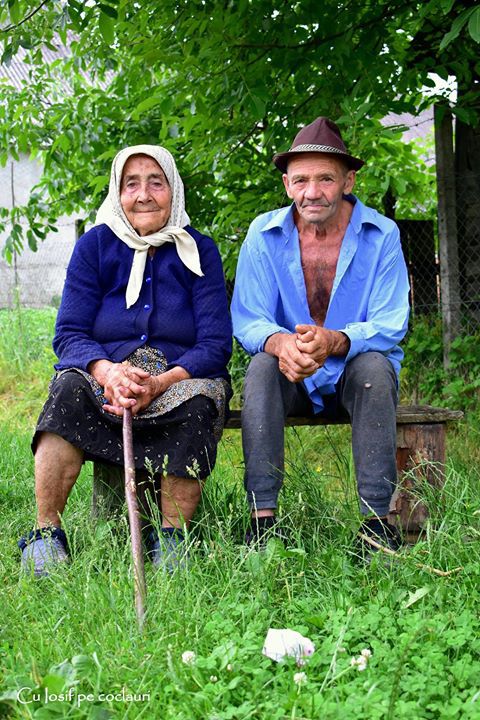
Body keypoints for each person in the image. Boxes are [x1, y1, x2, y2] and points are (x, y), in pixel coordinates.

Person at [19, 144, 232, 576]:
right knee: (68, 393)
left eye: (157, 182)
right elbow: (69, 334)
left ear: (174, 189)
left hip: (178, 376)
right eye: (131, 183)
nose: (144, 194)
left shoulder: (201, 251)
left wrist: (162, 382)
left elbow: (215, 344)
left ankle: (172, 541)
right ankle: (46, 536)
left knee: (198, 403)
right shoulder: (94, 246)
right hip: (107, 371)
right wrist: (108, 371)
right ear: (117, 193)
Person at [231, 117, 410, 559]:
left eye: (326, 178)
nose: (313, 191)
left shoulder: (382, 234)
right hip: (291, 373)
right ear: (288, 185)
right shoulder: (263, 233)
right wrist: (280, 345)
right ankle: (263, 523)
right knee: (260, 367)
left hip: (353, 368)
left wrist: (335, 341)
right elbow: (249, 317)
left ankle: (377, 525)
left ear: (348, 180)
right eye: (302, 180)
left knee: (374, 369)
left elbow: (391, 322)